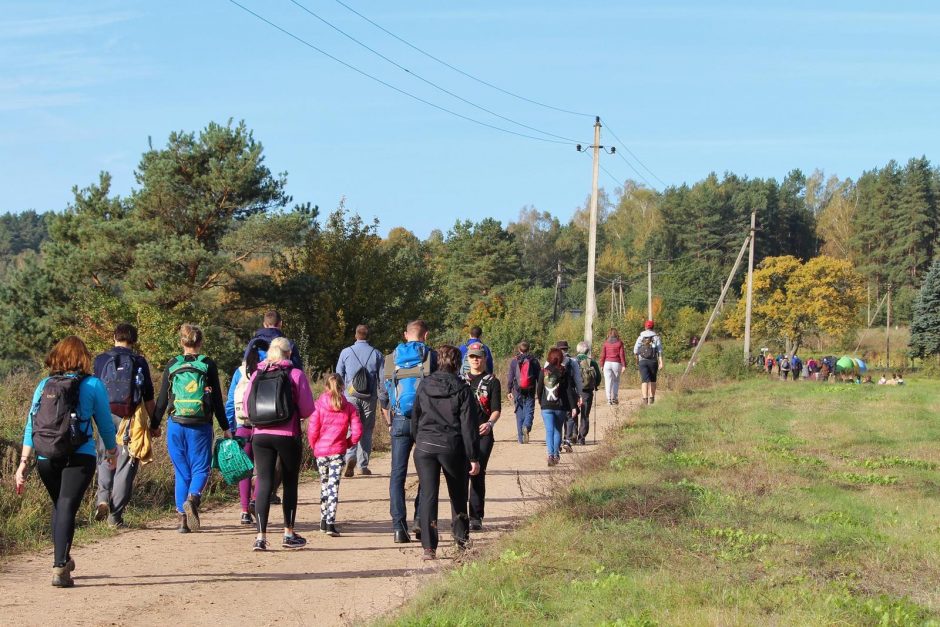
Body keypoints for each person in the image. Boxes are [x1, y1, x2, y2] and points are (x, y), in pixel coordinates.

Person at [15, 336, 118, 588]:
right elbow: (104, 422)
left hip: (45, 457)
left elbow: (32, 424)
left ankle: (63, 558)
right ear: (84, 357)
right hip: (79, 455)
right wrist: (112, 451)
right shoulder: (93, 384)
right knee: (66, 505)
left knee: (60, 506)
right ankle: (60, 566)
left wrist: (23, 461)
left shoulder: (44, 385)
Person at [153, 324, 231, 534]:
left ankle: (182, 521)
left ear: (182, 342)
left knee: (181, 472)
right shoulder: (207, 364)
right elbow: (216, 401)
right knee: (200, 468)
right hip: (200, 424)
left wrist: (153, 425)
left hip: (176, 424)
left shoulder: (172, 364)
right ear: (200, 343)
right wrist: (225, 426)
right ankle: (193, 498)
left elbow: (162, 400)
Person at [241, 337, 315, 551]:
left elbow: (247, 408)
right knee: (290, 482)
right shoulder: (295, 374)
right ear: (289, 354)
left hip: (260, 435)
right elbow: (308, 409)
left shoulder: (257, 374)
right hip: (287, 433)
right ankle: (288, 534)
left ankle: (260, 537)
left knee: (264, 481)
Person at [412, 345, 481, 560]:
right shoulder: (462, 389)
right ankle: (461, 542)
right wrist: (473, 457)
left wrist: (420, 440)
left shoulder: (424, 385)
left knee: (428, 496)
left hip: (424, 446)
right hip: (451, 447)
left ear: (437, 361)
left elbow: (415, 419)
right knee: (458, 495)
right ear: (458, 363)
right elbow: (468, 427)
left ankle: (428, 548)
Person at [92, 323, 157, 528]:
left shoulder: (101, 360)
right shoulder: (139, 361)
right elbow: (148, 397)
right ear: (134, 340)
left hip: (104, 415)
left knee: (105, 457)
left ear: (114, 337)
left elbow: (92, 389)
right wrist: (154, 423)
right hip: (130, 418)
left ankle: (102, 497)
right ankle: (115, 516)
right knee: (125, 465)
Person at [381, 319, 437, 543]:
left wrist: (389, 421)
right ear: (426, 335)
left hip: (400, 420)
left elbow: (384, 397)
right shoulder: (431, 357)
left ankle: (398, 528)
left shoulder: (390, 359)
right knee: (427, 472)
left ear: (406, 334)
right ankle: (419, 520)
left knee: (397, 473)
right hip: (426, 421)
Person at [308, 373, 362, 537]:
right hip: (337, 451)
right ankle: (330, 523)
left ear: (326, 387)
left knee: (324, 486)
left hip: (321, 452)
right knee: (333, 488)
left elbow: (312, 430)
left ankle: (323, 520)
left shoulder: (318, 405)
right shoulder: (349, 407)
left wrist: (314, 446)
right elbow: (357, 431)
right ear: (342, 387)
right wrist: (348, 443)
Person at [224, 339, 268, 526]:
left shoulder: (239, 372)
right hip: (264, 425)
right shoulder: (269, 369)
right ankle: (254, 501)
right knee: (264, 470)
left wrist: (230, 427)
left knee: (244, 470)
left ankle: (244, 511)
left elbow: (230, 401)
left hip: (242, 425)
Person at [462, 342, 501, 531]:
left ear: (484, 358)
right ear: (467, 359)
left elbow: (496, 409)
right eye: (472, 356)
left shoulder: (492, 381)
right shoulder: (460, 380)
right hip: (462, 434)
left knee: (477, 472)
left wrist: (490, 423)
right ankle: (461, 514)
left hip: (483, 434)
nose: (475, 360)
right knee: (462, 473)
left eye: (478, 356)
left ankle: (476, 516)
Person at [336, 324, 383, 478]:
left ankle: (350, 456)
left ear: (356, 335)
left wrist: (341, 393)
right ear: (368, 336)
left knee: (351, 427)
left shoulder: (345, 352)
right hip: (369, 396)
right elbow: (381, 379)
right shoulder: (376, 353)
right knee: (367, 430)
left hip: (351, 396)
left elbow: (338, 375)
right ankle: (363, 466)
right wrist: (383, 398)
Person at [536, 347, 579, 467]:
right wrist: (573, 407)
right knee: (557, 430)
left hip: (546, 406)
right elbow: (569, 391)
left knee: (549, 431)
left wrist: (540, 401)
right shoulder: (564, 372)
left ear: (549, 358)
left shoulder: (543, 371)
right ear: (561, 358)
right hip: (560, 407)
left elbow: (539, 389)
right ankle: (556, 455)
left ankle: (550, 455)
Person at [505, 341, 539, 444]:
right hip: (530, 389)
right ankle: (526, 426)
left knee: (519, 412)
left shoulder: (514, 361)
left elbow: (510, 377)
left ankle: (520, 438)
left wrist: (509, 390)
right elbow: (539, 377)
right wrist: (539, 390)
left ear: (519, 349)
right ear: (529, 349)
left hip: (517, 390)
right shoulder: (534, 361)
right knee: (529, 410)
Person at [555, 340, 582, 453]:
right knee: (570, 417)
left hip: (556, 394)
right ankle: (567, 440)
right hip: (570, 392)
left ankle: (558, 443)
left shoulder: (551, 361)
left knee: (558, 419)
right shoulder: (573, 361)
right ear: (567, 349)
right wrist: (580, 394)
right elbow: (577, 380)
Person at [573, 341, 601, 444]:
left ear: (577, 350)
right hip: (587, 391)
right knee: (585, 414)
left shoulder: (573, 361)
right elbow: (598, 376)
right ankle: (582, 438)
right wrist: (595, 386)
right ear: (587, 351)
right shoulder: (591, 362)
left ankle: (573, 433)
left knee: (573, 412)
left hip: (575, 391)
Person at [634, 320, 664, 405]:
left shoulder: (640, 337)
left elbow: (635, 350)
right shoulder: (656, 337)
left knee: (644, 381)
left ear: (645, 327)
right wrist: (661, 362)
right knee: (653, 380)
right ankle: (652, 398)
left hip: (642, 362)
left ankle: (644, 400)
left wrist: (638, 358)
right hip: (653, 361)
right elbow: (659, 351)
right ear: (653, 327)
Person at [600, 328, 627, 405]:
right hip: (616, 363)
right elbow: (622, 355)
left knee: (608, 382)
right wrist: (624, 365)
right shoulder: (619, 343)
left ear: (608, 334)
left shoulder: (606, 343)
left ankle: (609, 400)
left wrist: (601, 364)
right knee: (616, 381)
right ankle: (614, 398)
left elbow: (603, 355)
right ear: (616, 334)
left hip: (607, 363)